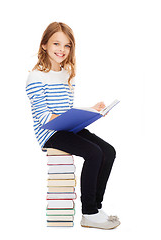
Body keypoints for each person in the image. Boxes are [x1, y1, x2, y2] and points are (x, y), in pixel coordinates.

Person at [26, 22, 120, 229]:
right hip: (50, 133)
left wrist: (91, 110)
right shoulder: (36, 76)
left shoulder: (68, 74)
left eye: (67, 45)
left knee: (108, 151)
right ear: (44, 45)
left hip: (68, 128)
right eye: (56, 44)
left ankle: (96, 206)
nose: (61, 50)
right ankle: (88, 212)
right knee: (94, 153)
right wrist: (70, 118)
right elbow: (43, 117)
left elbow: (67, 109)